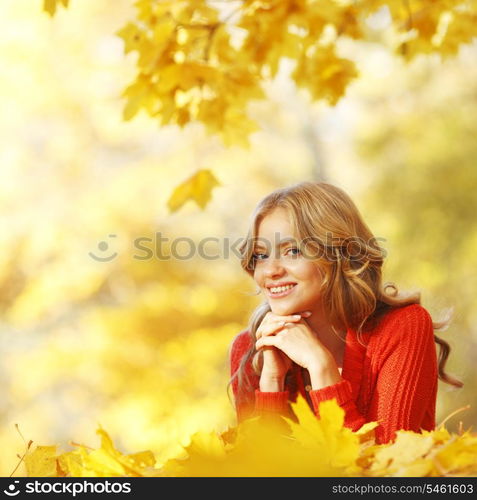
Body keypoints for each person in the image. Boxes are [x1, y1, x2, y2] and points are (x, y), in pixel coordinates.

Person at [229, 181, 463, 445]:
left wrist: (321, 367)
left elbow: (388, 472)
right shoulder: (251, 349)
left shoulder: (401, 327)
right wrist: (272, 383)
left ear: (338, 255)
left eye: (292, 251)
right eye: (260, 256)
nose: (270, 271)